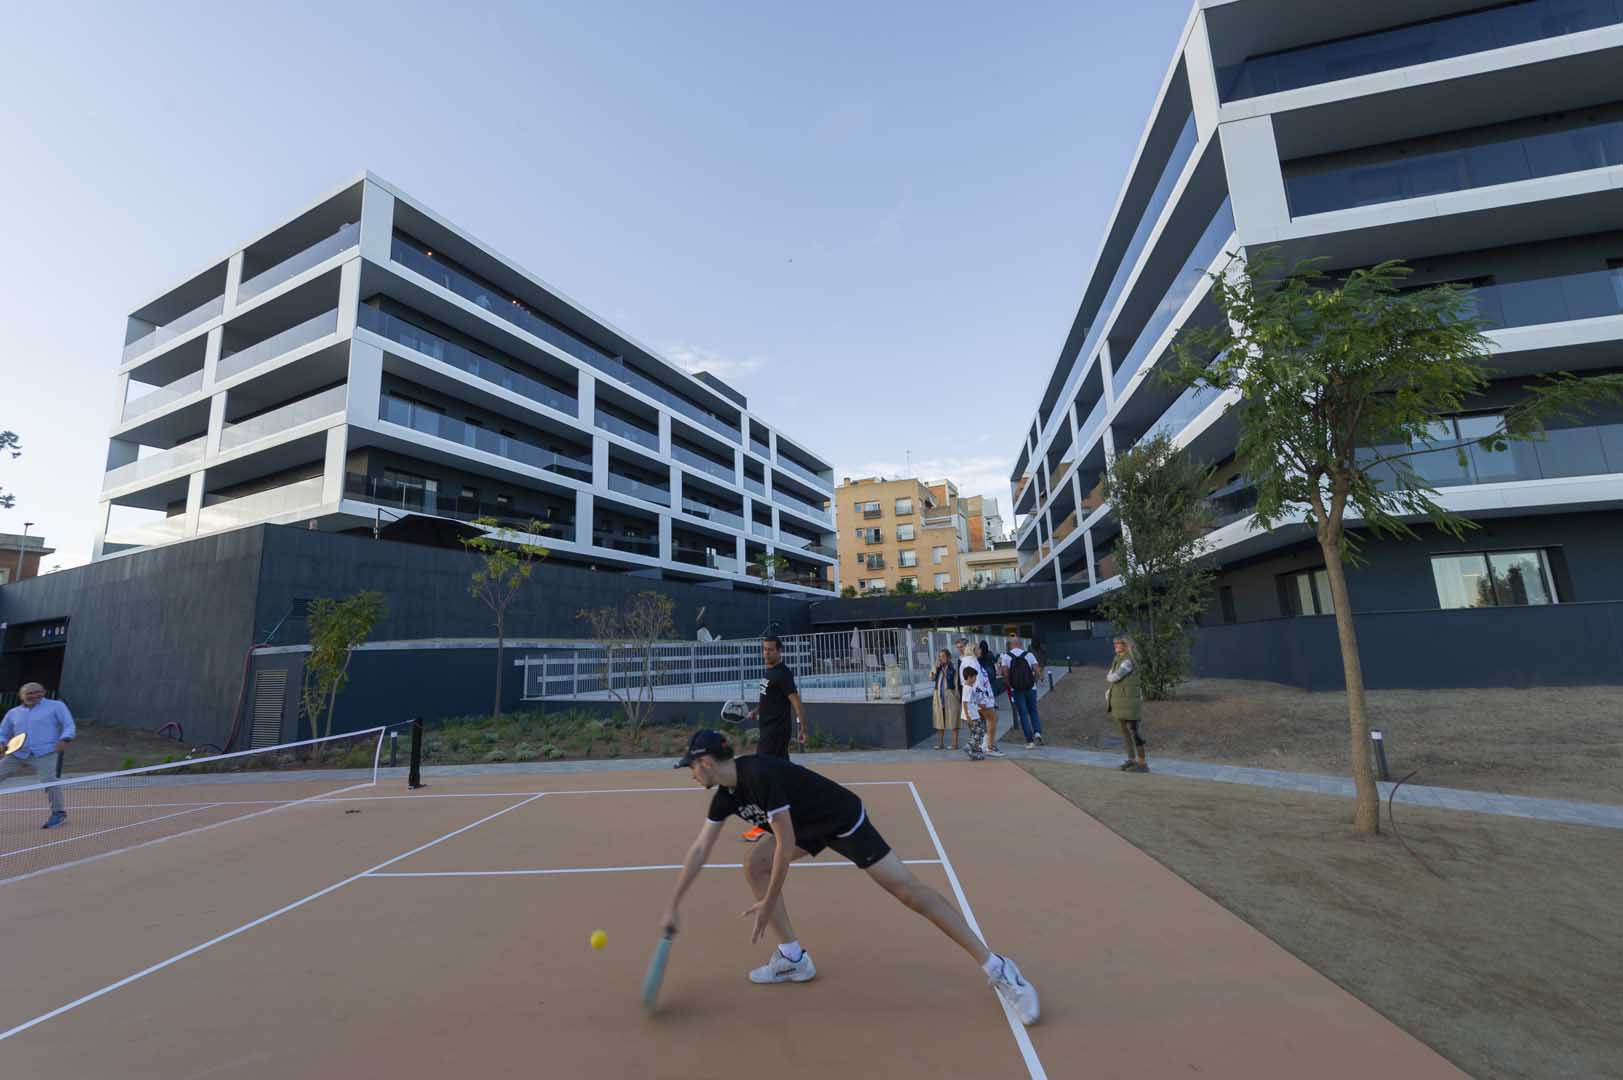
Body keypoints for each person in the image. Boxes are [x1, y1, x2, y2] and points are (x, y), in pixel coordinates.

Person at [659, 729, 1039, 1024]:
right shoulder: (725, 796)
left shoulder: (758, 774)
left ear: (706, 762)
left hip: (842, 819)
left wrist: (769, 901)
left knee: (906, 891)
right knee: (752, 863)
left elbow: (785, 840)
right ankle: (793, 958)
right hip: (806, 826)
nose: (690, 774)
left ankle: (998, 967)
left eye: (690, 766)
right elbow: (699, 850)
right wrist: (673, 906)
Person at [742, 635, 810, 842]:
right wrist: (755, 711)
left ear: (779, 651)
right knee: (783, 776)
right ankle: (800, 814)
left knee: (761, 775)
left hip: (775, 734)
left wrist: (803, 728)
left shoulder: (782, 674)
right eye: (764, 649)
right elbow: (767, 698)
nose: (767, 653)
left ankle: (763, 826)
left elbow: (796, 703)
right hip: (769, 731)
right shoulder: (769, 672)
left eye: (771, 649)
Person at [0, 682, 75, 828]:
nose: (34, 695)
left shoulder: (56, 706)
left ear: (44, 692)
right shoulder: (13, 713)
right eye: (30, 693)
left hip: (45, 753)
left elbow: (69, 725)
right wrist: (2, 743)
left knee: (50, 781)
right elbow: (2, 732)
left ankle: (59, 813)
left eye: (38, 692)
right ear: (21, 696)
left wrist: (65, 739)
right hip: (17, 754)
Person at [954, 636, 1002, 757]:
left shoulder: (972, 661)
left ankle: (982, 746)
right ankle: (987, 746)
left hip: (981, 697)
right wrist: (980, 699)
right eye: (978, 649)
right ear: (974, 650)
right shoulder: (971, 661)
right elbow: (975, 681)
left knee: (982, 725)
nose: (981, 651)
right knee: (992, 719)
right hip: (980, 698)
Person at [1106, 636, 1147, 772]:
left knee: (1133, 732)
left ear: (1126, 645)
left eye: (1119, 643)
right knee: (1125, 732)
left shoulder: (1128, 660)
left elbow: (1114, 676)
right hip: (1121, 701)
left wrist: (1110, 677)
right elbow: (1110, 676)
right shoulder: (1118, 659)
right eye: (1115, 643)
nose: (1116, 645)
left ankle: (1141, 763)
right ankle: (1132, 759)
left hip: (1129, 702)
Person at [999, 632, 1045, 749]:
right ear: (1020, 644)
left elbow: (1005, 674)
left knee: (1023, 714)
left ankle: (1029, 741)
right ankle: (1038, 732)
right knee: (1033, 711)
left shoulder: (1006, 657)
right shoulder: (1029, 655)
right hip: (1031, 688)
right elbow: (1037, 670)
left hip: (1017, 689)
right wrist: (1035, 680)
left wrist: (1011, 685)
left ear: (1010, 645)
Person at [959, 665, 996, 762]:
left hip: (973, 713)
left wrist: (980, 705)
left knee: (976, 732)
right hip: (972, 716)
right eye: (975, 677)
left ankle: (974, 751)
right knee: (979, 732)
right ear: (970, 677)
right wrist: (968, 716)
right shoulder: (967, 688)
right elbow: (964, 702)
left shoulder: (969, 687)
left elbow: (973, 700)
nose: (976, 679)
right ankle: (970, 746)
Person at [929, 648, 961, 751]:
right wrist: (935, 667)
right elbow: (932, 678)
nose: (941, 658)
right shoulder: (938, 668)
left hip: (951, 697)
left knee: (954, 720)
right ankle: (940, 743)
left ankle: (954, 744)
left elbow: (956, 684)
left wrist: (958, 698)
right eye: (939, 656)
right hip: (939, 697)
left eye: (943, 656)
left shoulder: (953, 668)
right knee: (940, 721)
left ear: (948, 657)